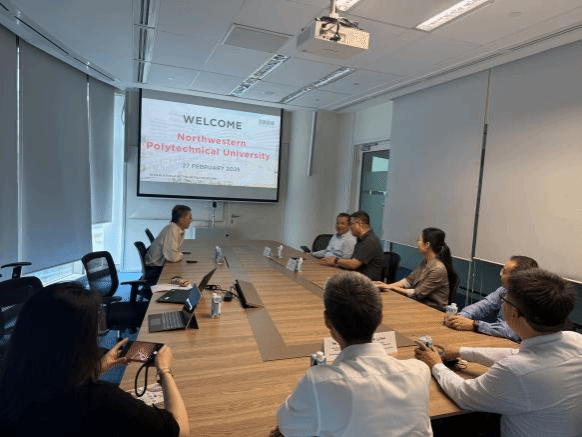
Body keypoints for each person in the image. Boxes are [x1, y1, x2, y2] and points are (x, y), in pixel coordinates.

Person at [0, 282, 189, 437]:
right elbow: (179, 430)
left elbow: (57, 385)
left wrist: (99, 367)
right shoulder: (103, 400)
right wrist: (164, 371)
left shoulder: (11, 380)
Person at [415, 268, 582, 437]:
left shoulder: (515, 371)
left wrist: (436, 365)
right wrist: (461, 351)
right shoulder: (575, 339)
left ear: (514, 313)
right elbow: (514, 353)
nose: (502, 303)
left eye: (505, 299)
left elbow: (463, 395)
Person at [271, 271, 432, 437]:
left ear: (327, 320)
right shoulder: (420, 371)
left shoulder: (319, 383)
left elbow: (287, 425)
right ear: (380, 318)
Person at [446, 255, 538, 342]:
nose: (501, 274)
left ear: (516, 277)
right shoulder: (504, 290)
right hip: (499, 340)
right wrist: (461, 316)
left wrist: (475, 325)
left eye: (504, 271)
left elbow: (510, 332)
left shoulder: (530, 299)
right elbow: (483, 306)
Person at [374, 227, 452, 309]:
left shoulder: (438, 268)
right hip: (419, 304)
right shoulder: (425, 261)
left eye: (419, 240)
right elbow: (408, 281)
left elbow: (418, 293)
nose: (417, 243)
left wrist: (391, 287)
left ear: (427, 245)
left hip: (432, 309)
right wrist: (386, 286)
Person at [320, 211, 384, 281]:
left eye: (351, 224)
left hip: (367, 282)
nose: (350, 227)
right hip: (358, 278)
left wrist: (335, 260)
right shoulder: (361, 239)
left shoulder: (369, 241)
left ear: (360, 224)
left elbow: (353, 264)